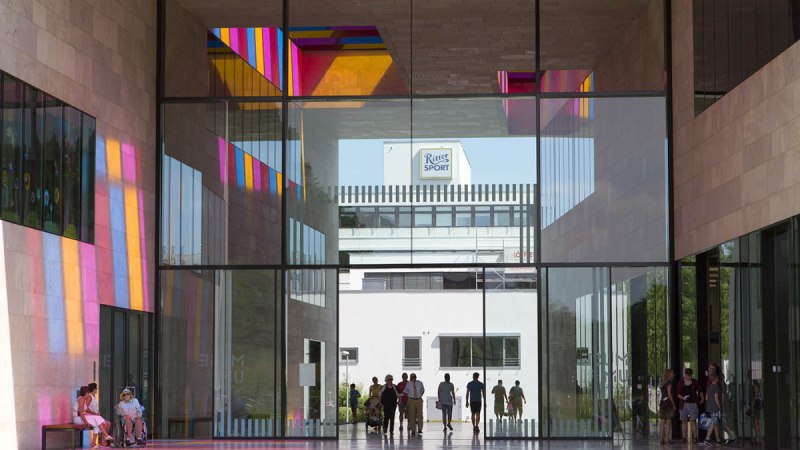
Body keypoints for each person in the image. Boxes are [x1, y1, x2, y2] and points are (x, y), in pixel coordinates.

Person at [678, 368, 703, 443]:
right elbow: (678, 393)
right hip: (683, 404)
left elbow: (700, 390)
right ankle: (684, 437)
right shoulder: (681, 382)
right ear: (685, 374)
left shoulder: (695, 382)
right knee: (683, 420)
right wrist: (682, 398)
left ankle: (695, 437)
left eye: (689, 375)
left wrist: (702, 398)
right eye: (687, 375)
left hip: (693, 403)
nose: (688, 377)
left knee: (693, 420)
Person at [85, 383, 113, 447]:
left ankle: (103, 440)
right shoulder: (89, 396)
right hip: (90, 416)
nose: (97, 389)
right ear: (94, 389)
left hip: (95, 416)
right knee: (105, 423)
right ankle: (100, 441)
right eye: (96, 388)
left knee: (108, 423)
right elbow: (85, 408)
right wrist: (94, 413)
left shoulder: (93, 397)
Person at [704, 373, 723, 445]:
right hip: (715, 408)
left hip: (709, 407)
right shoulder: (716, 387)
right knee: (714, 422)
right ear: (716, 379)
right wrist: (719, 406)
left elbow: (706, 398)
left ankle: (718, 439)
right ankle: (707, 438)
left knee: (716, 423)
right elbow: (716, 398)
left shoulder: (708, 387)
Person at [659, 368, 676, 445]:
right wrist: (673, 404)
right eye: (672, 373)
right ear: (669, 374)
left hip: (662, 403)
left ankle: (661, 439)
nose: (674, 374)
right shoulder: (669, 383)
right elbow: (669, 394)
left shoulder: (662, 383)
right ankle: (667, 439)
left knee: (662, 421)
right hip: (668, 404)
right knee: (668, 421)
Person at [750, 379, 762, 445]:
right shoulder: (757, 385)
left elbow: (756, 394)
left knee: (756, 421)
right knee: (757, 421)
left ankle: (758, 438)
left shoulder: (755, 385)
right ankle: (758, 437)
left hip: (756, 404)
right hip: (757, 404)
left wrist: (753, 403)